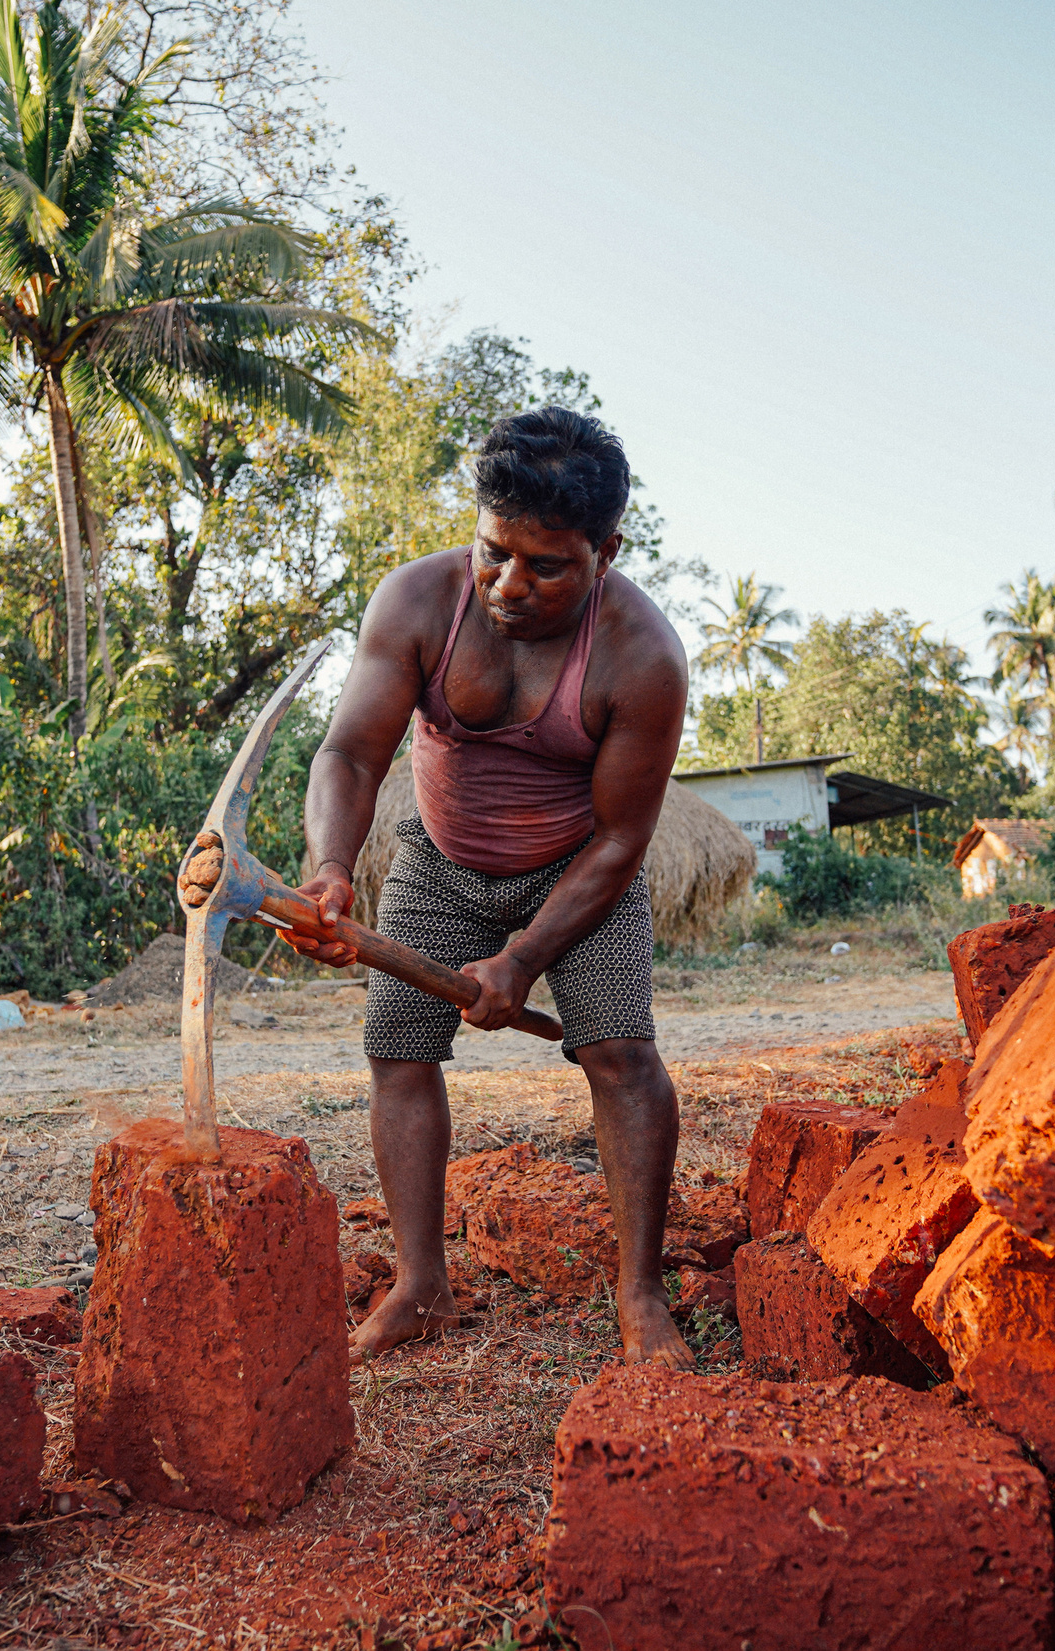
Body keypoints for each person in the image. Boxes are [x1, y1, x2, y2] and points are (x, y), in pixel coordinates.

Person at [289, 406, 694, 1369]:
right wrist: (332, 866)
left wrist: (523, 957)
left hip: (578, 873)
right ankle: (420, 1285)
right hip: (438, 860)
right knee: (397, 1050)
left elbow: (621, 840)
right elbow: (349, 753)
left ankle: (640, 1292)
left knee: (620, 1053)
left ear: (605, 551)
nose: (509, 584)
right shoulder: (417, 602)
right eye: (493, 551)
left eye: (546, 567)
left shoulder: (643, 656)